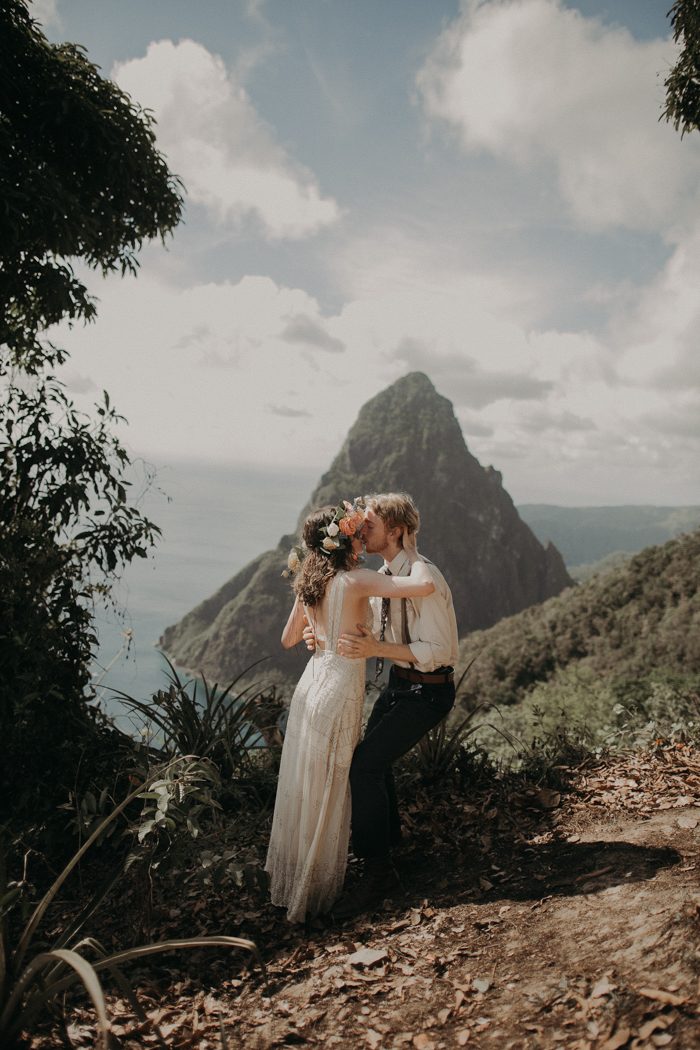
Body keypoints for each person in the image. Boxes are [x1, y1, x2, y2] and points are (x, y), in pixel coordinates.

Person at [265, 500, 436, 923]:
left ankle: (300, 879)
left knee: (308, 782)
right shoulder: (356, 581)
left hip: (310, 685)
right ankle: (320, 888)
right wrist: (412, 551)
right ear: (344, 540)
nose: (363, 538)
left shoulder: (311, 580)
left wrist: (318, 632)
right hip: (339, 689)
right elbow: (424, 587)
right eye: (357, 533)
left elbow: (289, 639)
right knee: (332, 785)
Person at [321, 492, 459, 912]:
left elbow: (437, 649)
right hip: (400, 685)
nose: (363, 531)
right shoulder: (387, 576)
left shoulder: (423, 578)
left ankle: (378, 872)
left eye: (371, 525)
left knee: (364, 767)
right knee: (370, 765)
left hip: (428, 689)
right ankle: (390, 850)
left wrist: (376, 649)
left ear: (395, 531)